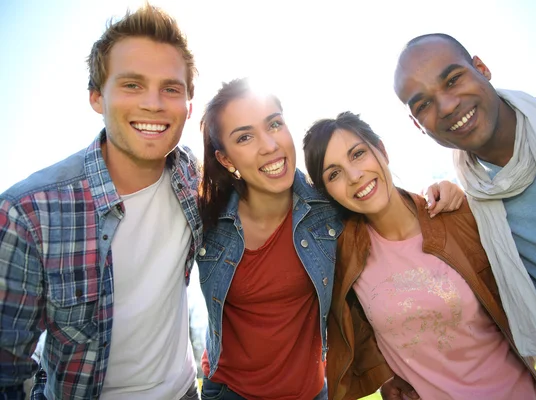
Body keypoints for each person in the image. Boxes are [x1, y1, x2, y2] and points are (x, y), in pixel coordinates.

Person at [196, 78, 462, 400]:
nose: (269, 145)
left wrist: (440, 191)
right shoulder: (207, 219)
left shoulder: (328, 208)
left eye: (275, 124)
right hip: (228, 392)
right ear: (226, 160)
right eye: (245, 137)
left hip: (312, 393)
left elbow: (381, 207)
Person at [0, 5, 202, 399]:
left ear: (188, 106)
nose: (154, 103)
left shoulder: (192, 177)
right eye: (132, 85)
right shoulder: (28, 213)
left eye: (171, 89)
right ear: (96, 97)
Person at [393, 33, 536, 400]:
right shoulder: (474, 202)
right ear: (416, 125)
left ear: (482, 68)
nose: (446, 106)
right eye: (424, 103)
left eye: (453, 79)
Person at [303, 111, 536, 400]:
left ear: (382, 151)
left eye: (358, 154)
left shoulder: (456, 215)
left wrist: (459, 193)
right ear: (327, 192)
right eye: (334, 174)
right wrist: (385, 375)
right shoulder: (340, 255)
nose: (354, 176)